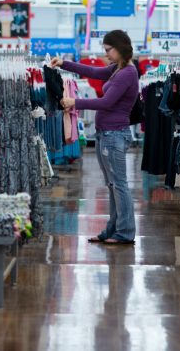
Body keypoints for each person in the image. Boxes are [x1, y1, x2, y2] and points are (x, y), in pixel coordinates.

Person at [51, 30, 139, 245]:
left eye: (109, 50)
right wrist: (64, 63)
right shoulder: (117, 69)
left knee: (119, 185)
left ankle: (125, 232)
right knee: (112, 184)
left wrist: (75, 102)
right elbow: (91, 70)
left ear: (121, 48)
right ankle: (113, 230)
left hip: (114, 135)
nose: (106, 54)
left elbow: (106, 102)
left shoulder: (127, 72)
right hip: (106, 135)